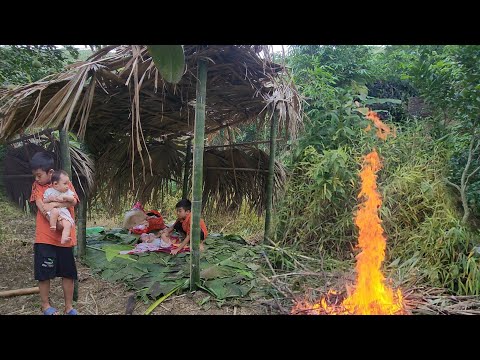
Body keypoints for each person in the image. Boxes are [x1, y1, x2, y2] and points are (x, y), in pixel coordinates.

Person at [29, 152, 79, 315]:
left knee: (68, 273)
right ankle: (45, 305)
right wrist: (57, 223)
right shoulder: (37, 186)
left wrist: (54, 204)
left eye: (39, 175)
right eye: (35, 176)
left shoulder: (64, 181)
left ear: (50, 173)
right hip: (46, 237)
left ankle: (69, 307)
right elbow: (42, 208)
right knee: (44, 273)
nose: (36, 179)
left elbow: (74, 201)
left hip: (65, 238)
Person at [43, 170, 76, 244]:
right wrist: (49, 199)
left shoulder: (67, 192)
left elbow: (73, 199)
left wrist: (66, 197)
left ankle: (64, 238)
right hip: (54, 211)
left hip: (64, 212)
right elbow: (44, 201)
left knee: (68, 224)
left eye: (68, 183)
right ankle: (53, 225)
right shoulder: (49, 191)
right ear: (55, 184)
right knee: (54, 211)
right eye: (65, 184)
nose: (67, 186)